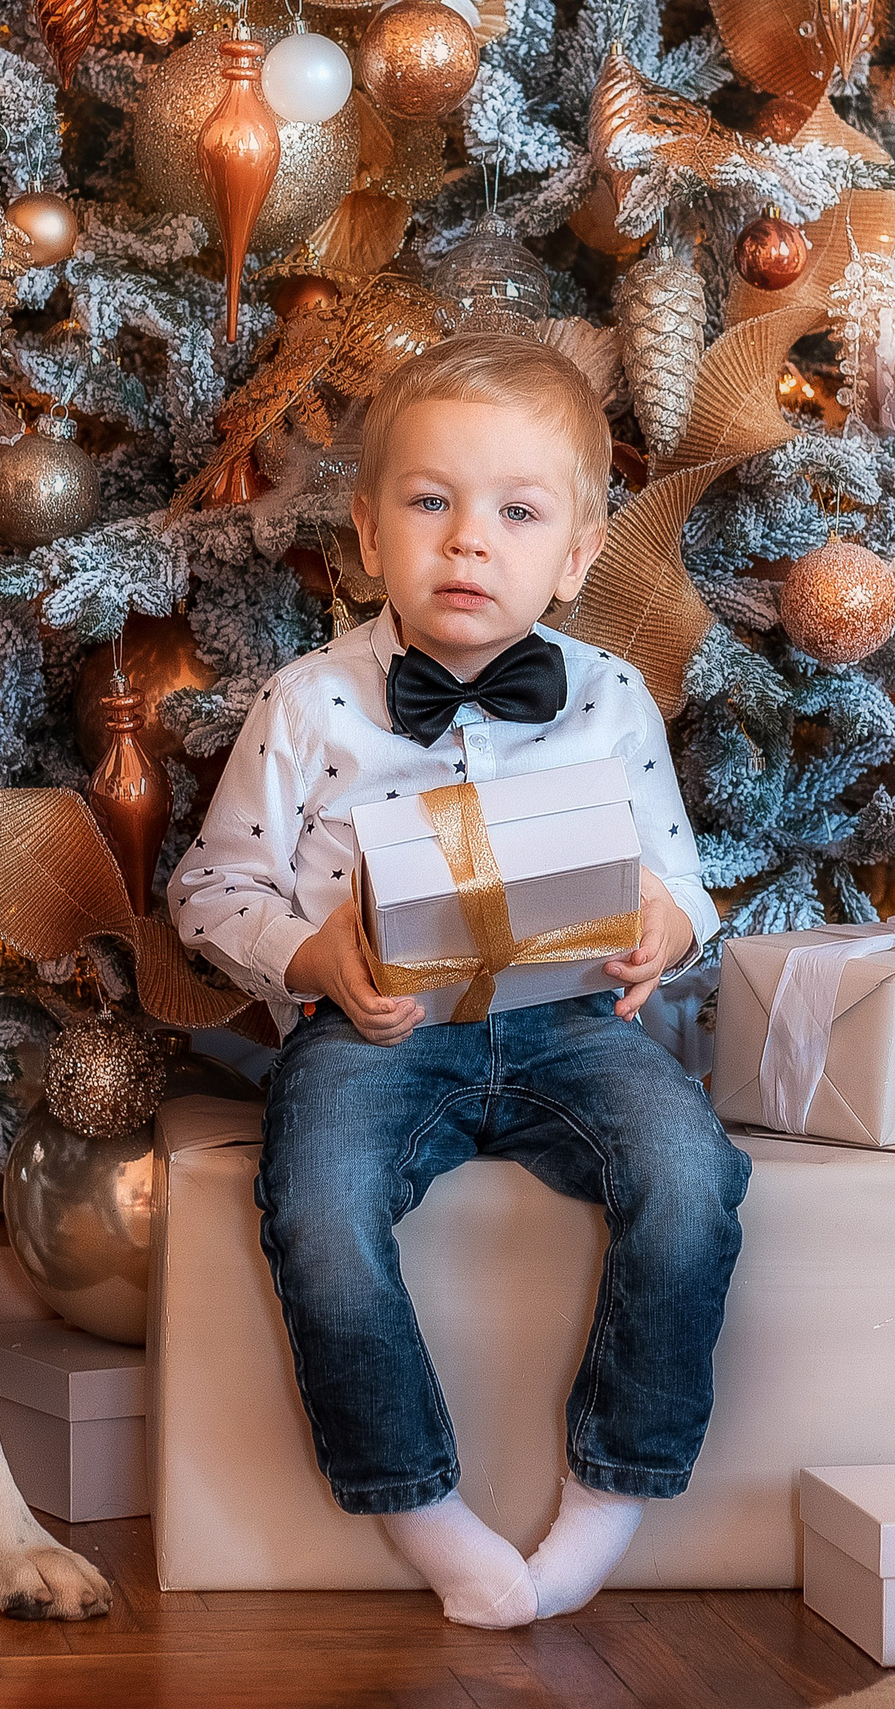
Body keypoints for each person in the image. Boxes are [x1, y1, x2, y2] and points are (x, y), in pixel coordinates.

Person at [166, 332, 750, 1629]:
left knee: (696, 1171)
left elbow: (682, 884)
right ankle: (412, 1490)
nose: (469, 541)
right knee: (315, 1199)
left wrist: (663, 927)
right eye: (431, 502)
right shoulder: (311, 702)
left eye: (518, 512)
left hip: (572, 1029)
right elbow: (211, 890)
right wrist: (313, 954)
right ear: (368, 533)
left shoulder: (610, 701)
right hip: (379, 1032)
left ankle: (619, 1477)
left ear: (581, 554)